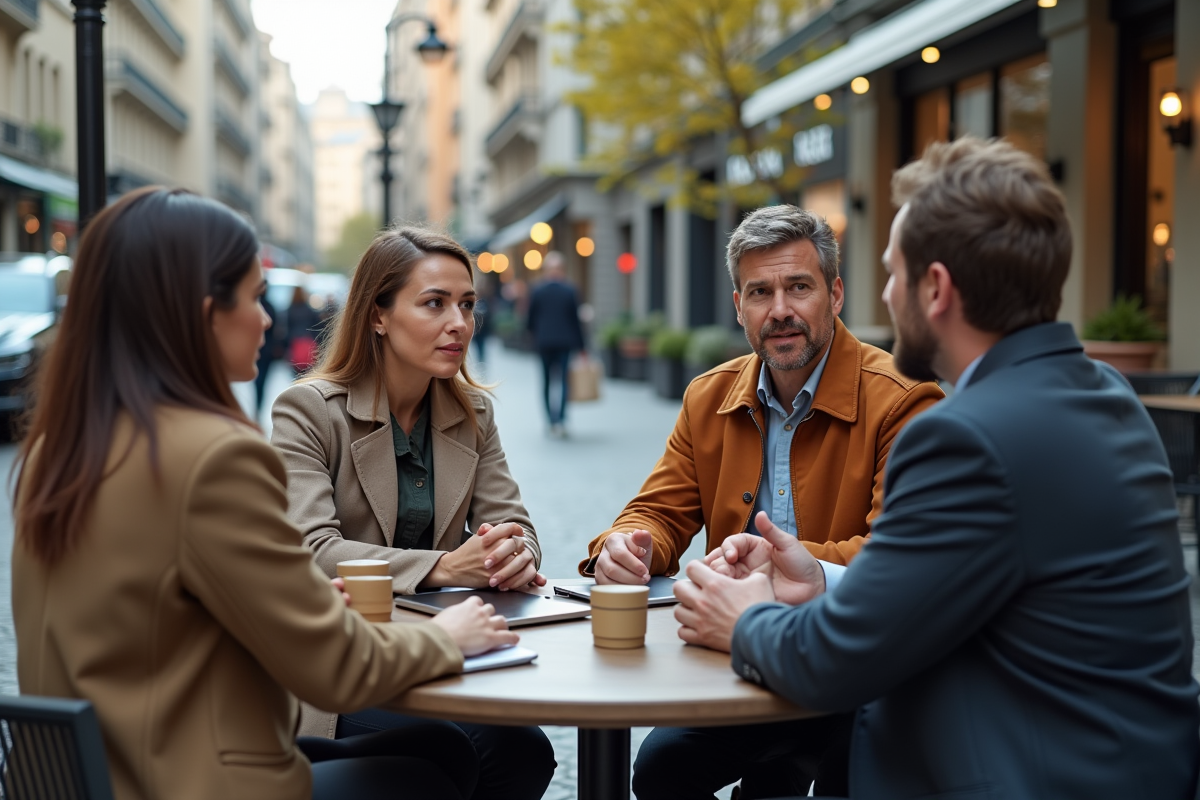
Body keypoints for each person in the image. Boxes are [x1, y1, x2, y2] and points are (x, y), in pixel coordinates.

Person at [676, 137, 1200, 799]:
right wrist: (823, 577)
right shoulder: (1106, 393)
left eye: (893, 274)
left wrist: (743, 620)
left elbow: (835, 662)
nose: (886, 296)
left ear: (936, 289)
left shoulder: (965, 437)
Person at [11, 188, 518, 800]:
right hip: (188, 781)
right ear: (203, 312)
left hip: (82, 775)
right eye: (254, 297)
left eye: (467, 305)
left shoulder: (59, 446)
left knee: (443, 750)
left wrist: (292, 600)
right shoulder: (213, 455)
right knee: (436, 771)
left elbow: (154, 615)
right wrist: (445, 636)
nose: (268, 320)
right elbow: (331, 666)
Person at [583, 205, 944, 799]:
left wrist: (782, 570)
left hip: (860, 668)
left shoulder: (903, 401)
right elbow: (658, 510)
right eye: (760, 292)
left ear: (835, 294)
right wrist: (628, 545)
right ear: (738, 306)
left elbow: (901, 555)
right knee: (662, 770)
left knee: (838, 778)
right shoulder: (708, 396)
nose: (779, 310)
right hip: (743, 660)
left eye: (798, 287)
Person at [271, 226, 557, 800]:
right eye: (434, 303)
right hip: (339, 665)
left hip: (447, 650)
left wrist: (513, 553)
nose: (459, 323)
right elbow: (310, 552)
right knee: (489, 747)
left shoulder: (472, 413)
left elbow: (517, 526)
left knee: (523, 751)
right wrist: (446, 567)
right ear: (378, 315)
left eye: (467, 305)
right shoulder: (309, 411)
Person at [526, 250, 584, 436]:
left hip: (544, 342)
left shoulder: (537, 290)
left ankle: (550, 421)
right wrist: (582, 347)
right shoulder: (570, 290)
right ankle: (561, 419)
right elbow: (576, 321)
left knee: (546, 381)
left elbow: (530, 320)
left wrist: (534, 336)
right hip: (565, 342)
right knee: (564, 382)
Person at [253, 291, 280, 420]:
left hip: (266, 351)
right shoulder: (270, 307)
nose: (266, 321)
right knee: (261, 382)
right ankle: (257, 407)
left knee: (259, 382)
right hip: (268, 351)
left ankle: (257, 408)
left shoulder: (268, 307)